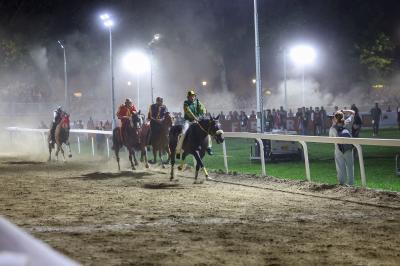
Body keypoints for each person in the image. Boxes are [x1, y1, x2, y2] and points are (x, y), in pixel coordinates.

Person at [176, 90, 211, 158]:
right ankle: (178, 150)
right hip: (188, 121)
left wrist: (200, 117)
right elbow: (188, 111)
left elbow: (203, 110)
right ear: (188, 97)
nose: (192, 97)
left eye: (193, 96)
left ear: (194, 96)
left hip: (198, 121)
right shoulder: (185, 103)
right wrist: (195, 118)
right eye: (190, 96)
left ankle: (209, 147)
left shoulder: (198, 102)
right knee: (183, 133)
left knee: (207, 130)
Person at [329, 109, 355, 186]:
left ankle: (342, 183)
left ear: (335, 118)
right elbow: (353, 113)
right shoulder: (347, 123)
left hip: (338, 149)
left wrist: (333, 124)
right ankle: (351, 184)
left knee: (340, 167)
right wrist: (344, 111)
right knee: (350, 167)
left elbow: (330, 139)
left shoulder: (332, 128)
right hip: (349, 149)